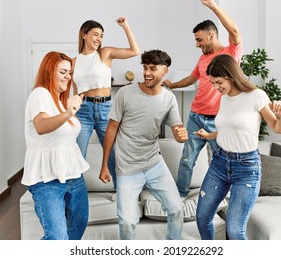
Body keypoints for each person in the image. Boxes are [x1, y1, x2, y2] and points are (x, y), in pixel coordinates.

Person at [195, 54, 281, 240]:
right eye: (212, 83)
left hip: (246, 167)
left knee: (235, 231)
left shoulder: (256, 96)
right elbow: (228, 128)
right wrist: (209, 135)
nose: (215, 87)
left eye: (218, 82)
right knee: (202, 218)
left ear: (230, 75)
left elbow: (278, 128)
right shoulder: (224, 98)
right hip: (219, 162)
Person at [99, 49, 188, 240]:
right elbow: (111, 129)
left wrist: (181, 135)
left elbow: (177, 129)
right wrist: (105, 164)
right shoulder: (125, 93)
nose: (147, 73)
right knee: (128, 222)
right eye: (145, 68)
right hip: (127, 168)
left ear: (165, 71)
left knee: (177, 209)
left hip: (154, 163)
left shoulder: (168, 98)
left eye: (152, 69)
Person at [163, 0, 243, 198]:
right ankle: (180, 195)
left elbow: (234, 30)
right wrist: (172, 85)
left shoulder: (229, 54)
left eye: (199, 40)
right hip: (196, 117)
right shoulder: (202, 60)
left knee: (223, 160)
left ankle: (225, 196)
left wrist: (213, 6)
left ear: (211, 35)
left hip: (219, 120)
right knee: (187, 159)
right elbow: (192, 79)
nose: (197, 44)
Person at [22, 51, 90, 240]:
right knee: (58, 238)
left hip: (74, 177)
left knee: (76, 229)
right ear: (49, 71)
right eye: (62, 72)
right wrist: (69, 113)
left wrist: (68, 110)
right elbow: (42, 126)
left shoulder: (60, 102)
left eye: (70, 72)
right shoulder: (40, 94)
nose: (68, 77)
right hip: (47, 180)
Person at [72, 17, 140, 189]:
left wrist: (126, 26)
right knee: (77, 156)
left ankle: (121, 193)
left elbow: (134, 51)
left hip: (105, 110)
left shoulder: (105, 53)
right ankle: (75, 196)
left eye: (101, 36)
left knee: (115, 156)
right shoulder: (73, 62)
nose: (99, 39)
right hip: (83, 111)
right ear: (84, 35)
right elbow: (75, 92)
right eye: (95, 34)